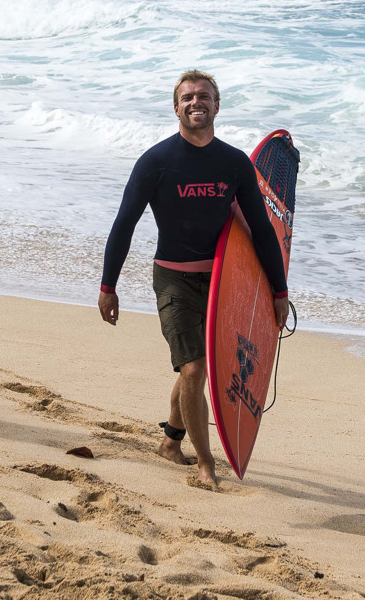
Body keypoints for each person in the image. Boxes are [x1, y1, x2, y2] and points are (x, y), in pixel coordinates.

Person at [99, 70, 290, 489]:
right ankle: (206, 467)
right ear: (176, 108)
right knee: (193, 368)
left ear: (217, 106)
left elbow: (260, 228)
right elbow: (124, 224)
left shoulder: (234, 163)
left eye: (203, 96)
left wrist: (278, 291)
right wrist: (108, 286)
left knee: (195, 373)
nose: (195, 103)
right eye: (186, 98)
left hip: (225, 285)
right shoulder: (156, 162)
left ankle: (171, 441)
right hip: (174, 281)